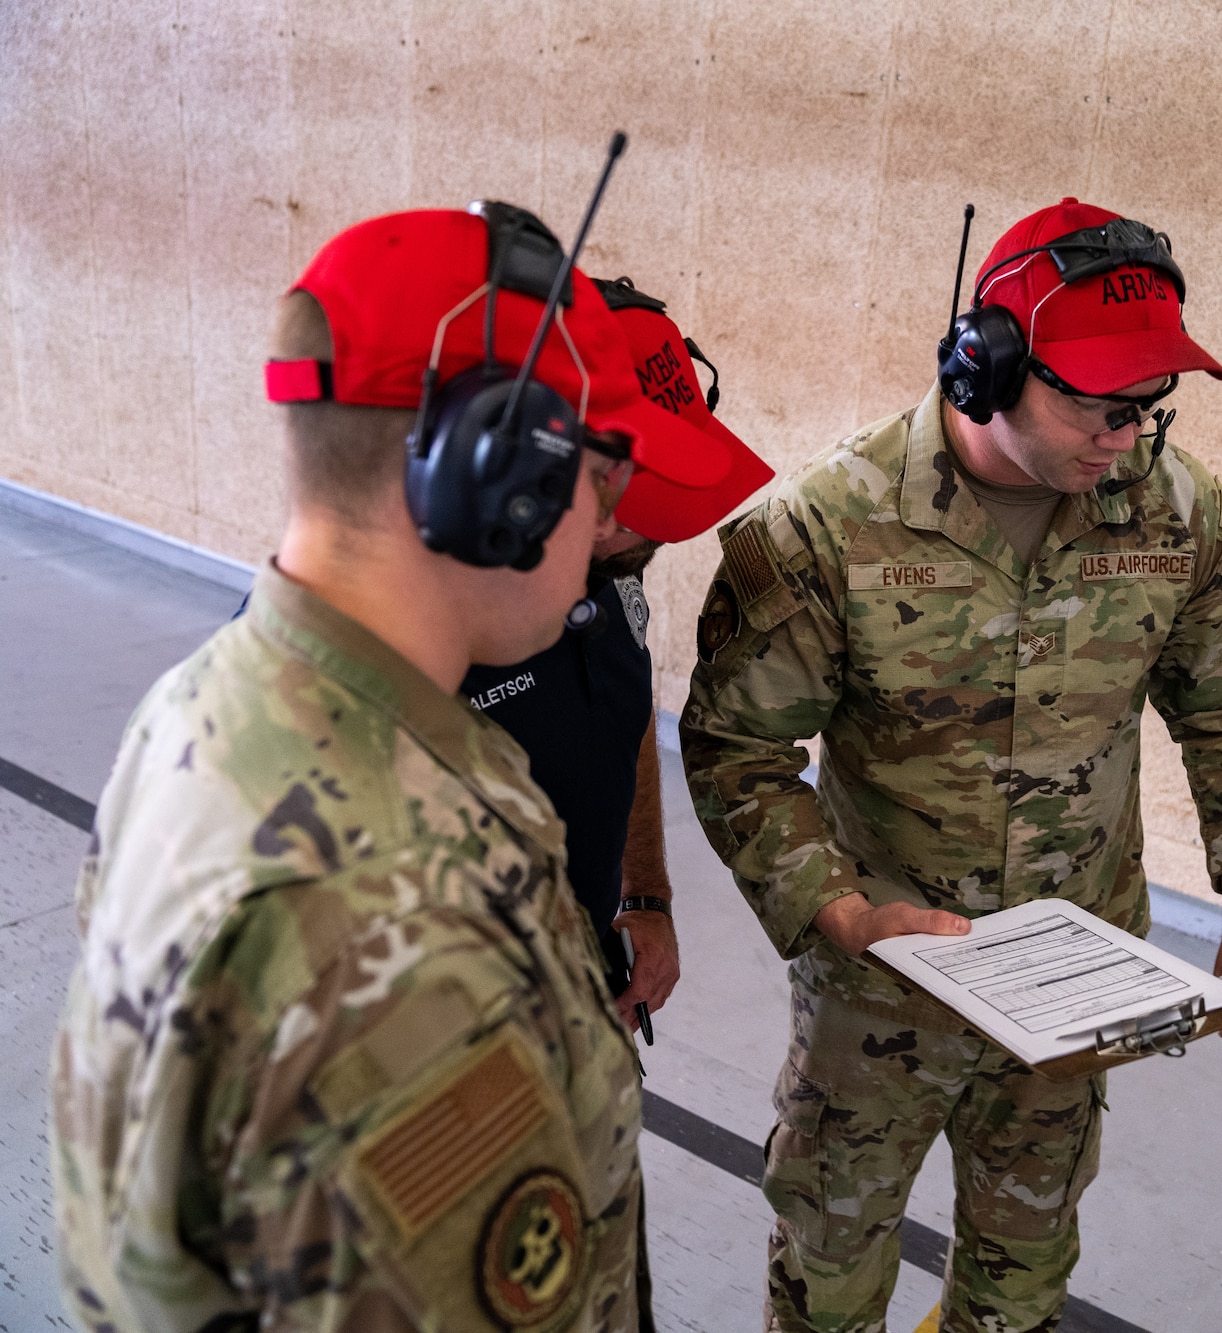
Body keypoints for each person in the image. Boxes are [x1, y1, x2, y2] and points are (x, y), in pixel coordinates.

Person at [47, 202, 729, 1330]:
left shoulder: (213, 703)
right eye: (603, 476)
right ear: (505, 481)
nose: (611, 519)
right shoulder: (403, 938)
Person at [680, 197, 1222, 1331]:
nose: (1125, 433)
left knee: (1021, 1270)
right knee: (829, 1257)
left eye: (1147, 402)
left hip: (1076, 983)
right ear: (983, 367)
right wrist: (837, 915)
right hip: (880, 985)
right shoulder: (828, 528)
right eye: (1094, 400)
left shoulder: (1185, 514)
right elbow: (738, 751)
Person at [461, 275, 773, 1029]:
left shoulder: (595, 564)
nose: (653, 534)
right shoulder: (370, 656)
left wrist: (644, 894)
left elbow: (621, 717)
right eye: (634, 498)